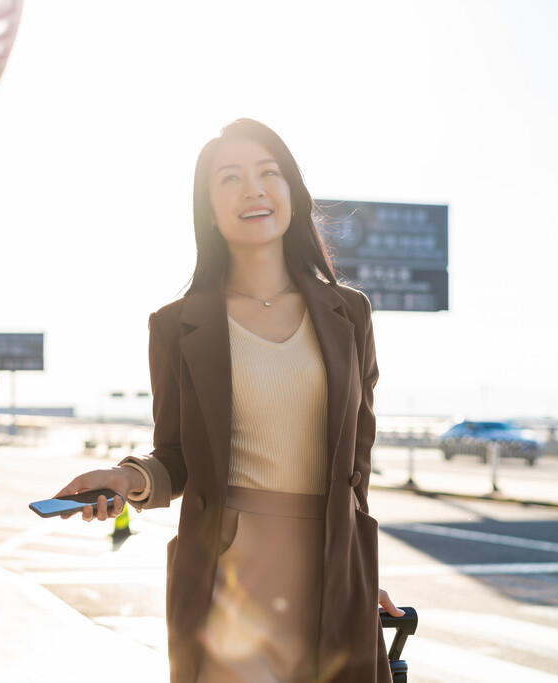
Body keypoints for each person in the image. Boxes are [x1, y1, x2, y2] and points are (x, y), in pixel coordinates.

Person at [56, 118, 402, 682]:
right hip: (227, 576)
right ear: (209, 210)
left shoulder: (350, 314)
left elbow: (355, 477)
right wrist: (128, 479)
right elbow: (177, 455)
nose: (253, 190)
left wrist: (361, 576)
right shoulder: (176, 326)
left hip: (330, 575)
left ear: (292, 193)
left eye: (269, 174)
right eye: (230, 179)